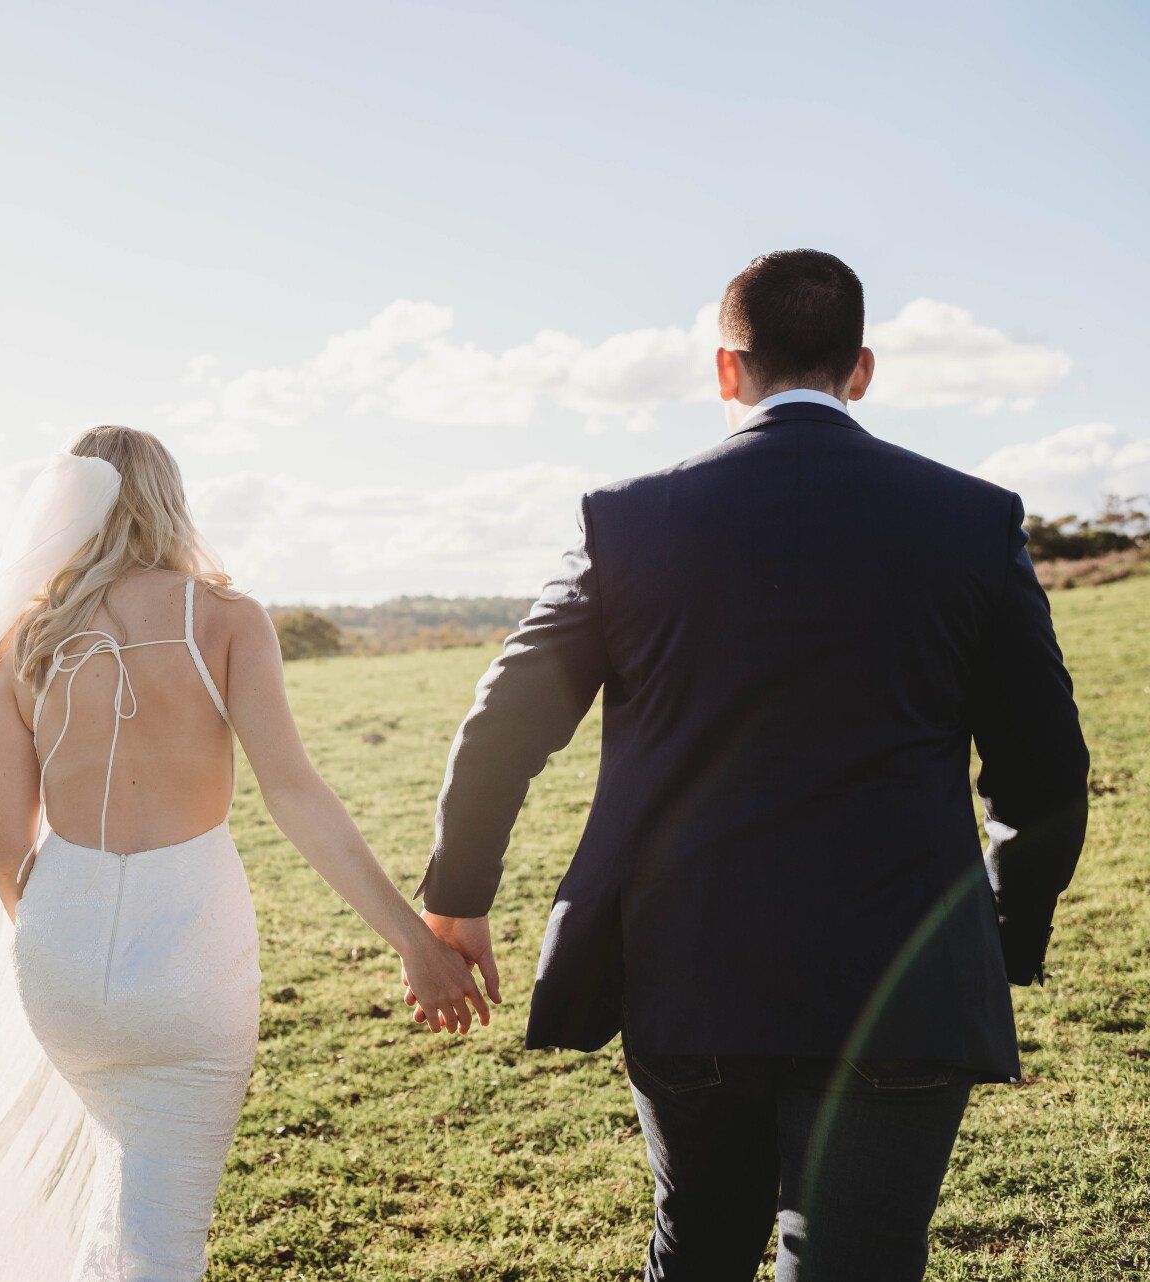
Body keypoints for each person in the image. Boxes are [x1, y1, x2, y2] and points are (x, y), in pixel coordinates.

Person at [412, 249, 1090, 1281]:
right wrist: (1007, 923)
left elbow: (507, 717)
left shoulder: (626, 521)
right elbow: (1044, 764)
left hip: (688, 966)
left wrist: (459, 895)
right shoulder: (973, 519)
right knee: (857, 1262)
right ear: (861, 369)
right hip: (903, 976)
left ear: (726, 370)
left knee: (700, 1251)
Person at [0, 425, 482, 1282]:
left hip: (59, 956)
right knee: (160, 1242)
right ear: (166, 497)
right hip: (188, 956)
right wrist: (416, 944)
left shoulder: (23, 642)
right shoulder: (227, 620)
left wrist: (74, 940)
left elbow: (9, 857)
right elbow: (295, 796)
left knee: (118, 1207)